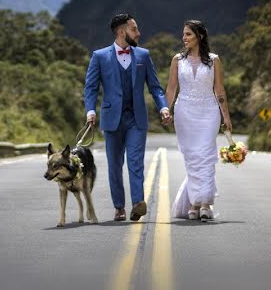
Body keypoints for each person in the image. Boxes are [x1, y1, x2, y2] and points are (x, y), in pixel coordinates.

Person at [84, 14, 171, 221]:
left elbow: (156, 87)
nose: (139, 33)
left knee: (135, 161)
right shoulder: (100, 56)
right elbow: (91, 87)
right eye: (134, 29)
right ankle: (119, 207)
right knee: (114, 165)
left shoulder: (143, 55)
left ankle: (138, 203)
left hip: (136, 119)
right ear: (122, 32)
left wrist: (163, 108)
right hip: (111, 118)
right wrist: (90, 110)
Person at [165, 19, 232, 221]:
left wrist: (225, 116)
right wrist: (165, 110)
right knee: (192, 158)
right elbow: (171, 88)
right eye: (183, 34)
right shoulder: (177, 60)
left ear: (199, 36)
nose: (184, 38)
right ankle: (194, 204)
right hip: (184, 112)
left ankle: (203, 203)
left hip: (209, 111)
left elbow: (219, 90)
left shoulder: (214, 60)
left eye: (188, 34)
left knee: (206, 155)